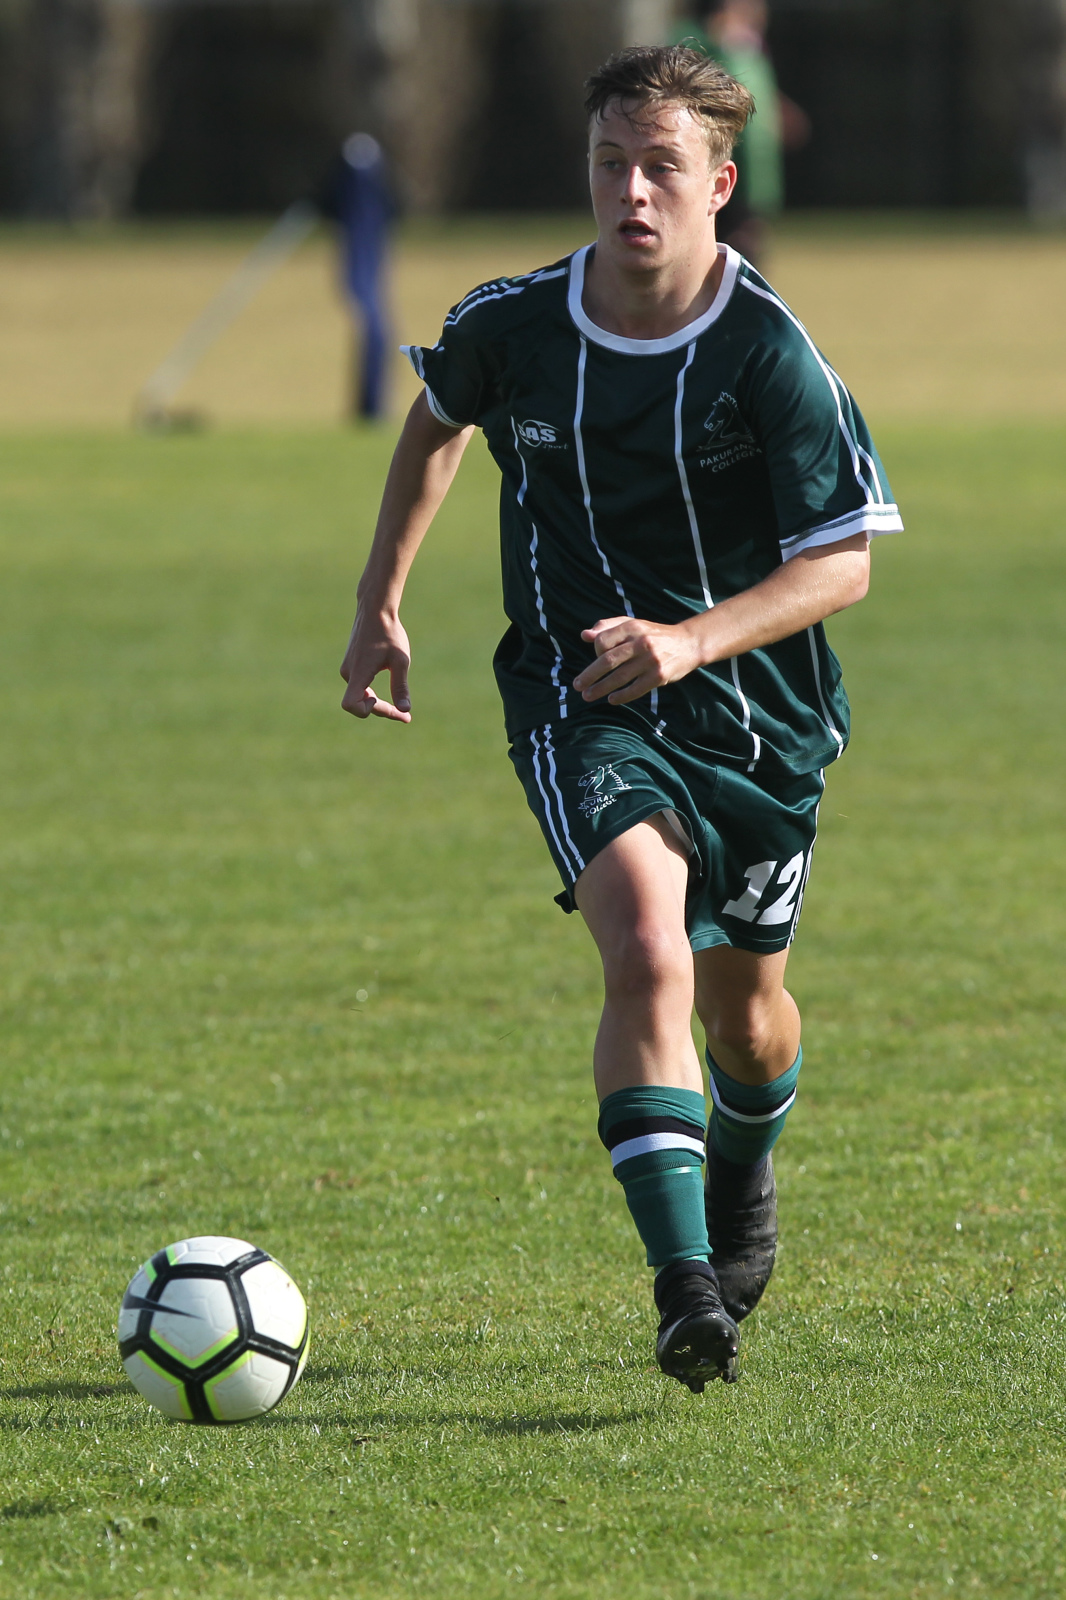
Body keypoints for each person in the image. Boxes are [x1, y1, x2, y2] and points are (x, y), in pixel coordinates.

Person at [340, 45, 901, 1392]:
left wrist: (690, 641)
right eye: (609, 163)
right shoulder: (513, 326)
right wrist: (379, 602)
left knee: (748, 1022)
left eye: (660, 167)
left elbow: (844, 561)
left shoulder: (767, 351)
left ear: (719, 184)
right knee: (647, 948)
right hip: (577, 693)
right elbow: (435, 423)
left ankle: (743, 1165)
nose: (631, 191)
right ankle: (683, 1286)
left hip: (756, 720)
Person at [675, 0, 809, 266]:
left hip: (756, 173)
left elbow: (754, 93)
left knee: (750, 242)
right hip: (720, 165)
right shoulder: (700, 43)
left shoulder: (750, 49)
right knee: (723, 248)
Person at [323, 133, 394, 421]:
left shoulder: (372, 197)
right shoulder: (366, 192)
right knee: (377, 327)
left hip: (367, 273)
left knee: (377, 329)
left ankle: (371, 406)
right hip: (362, 273)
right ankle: (369, 407)